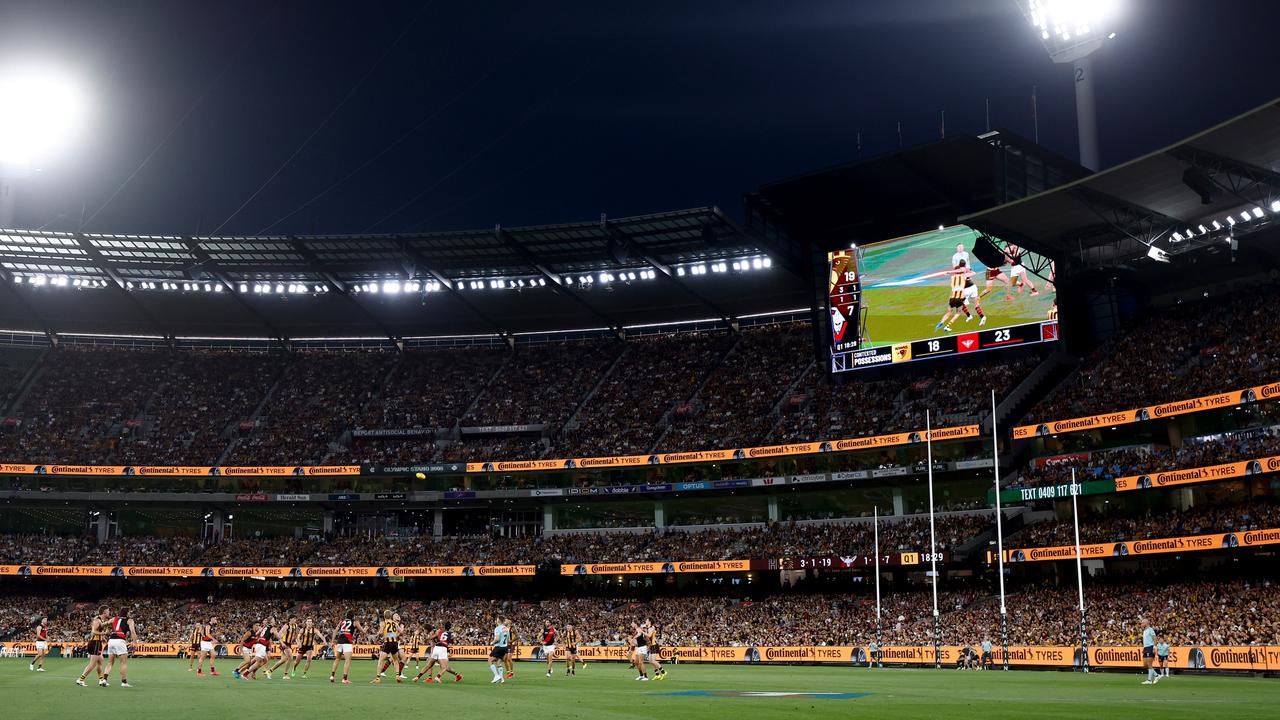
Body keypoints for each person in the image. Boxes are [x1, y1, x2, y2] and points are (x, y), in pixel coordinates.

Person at [76, 607, 109, 687]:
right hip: (95, 643)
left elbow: (97, 632)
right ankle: (81, 679)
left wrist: (103, 638)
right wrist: (104, 634)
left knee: (100, 661)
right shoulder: (97, 620)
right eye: (108, 611)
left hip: (97, 643)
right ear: (104, 612)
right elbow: (94, 631)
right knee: (93, 664)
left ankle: (101, 680)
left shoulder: (101, 620)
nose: (109, 613)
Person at [103, 607, 137, 688]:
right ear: (127, 613)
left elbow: (103, 624)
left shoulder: (114, 618)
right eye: (129, 612)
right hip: (120, 640)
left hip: (111, 640)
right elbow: (132, 631)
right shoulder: (130, 620)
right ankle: (124, 682)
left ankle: (104, 680)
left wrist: (104, 632)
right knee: (123, 663)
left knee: (110, 662)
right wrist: (134, 642)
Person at [934, 262, 970, 333]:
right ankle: (947, 326)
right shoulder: (963, 276)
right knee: (958, 313)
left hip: (952, 298)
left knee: (949, 312)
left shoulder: (952, 277)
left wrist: (949, 273)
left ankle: (941, 322)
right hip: (960, 298)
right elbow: (971, 273)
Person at [330, 612, 364, 685]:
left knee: (337, 659)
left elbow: (335, 631)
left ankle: (332, 676)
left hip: (339, 641)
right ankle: (344, 678)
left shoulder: (342, 621)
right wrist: (366, 629)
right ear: (353, 616)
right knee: (347, 660)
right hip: (347, 642)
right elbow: (362, 631)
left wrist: (332, 641)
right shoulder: (355, 622)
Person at [371, 610, 403, 684]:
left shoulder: (383, 623)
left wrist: (377, 635)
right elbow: (401, 632)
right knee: (395, 660)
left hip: (387, 643)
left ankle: (378, 678)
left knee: (381, 660)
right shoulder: (395, 623)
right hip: (395, 643)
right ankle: (398, 675)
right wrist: (393, 635)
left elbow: (381, 632)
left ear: (384, 616)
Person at [487, 616, 510, 684]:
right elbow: (508, 640)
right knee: (498, 662)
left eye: (497, 619)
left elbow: (497, 639)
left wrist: (492, 643)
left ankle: (497, 676)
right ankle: (501, 679)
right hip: (505, 647)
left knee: (490, 660)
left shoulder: (497, 628)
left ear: (499, 620)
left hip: (499, 647)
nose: (496, 620)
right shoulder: (507, 628)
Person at [1141, 619, 1160, 685]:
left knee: (1149, 664)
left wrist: (1154, 647)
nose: (1142, 624)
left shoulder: (1150, 629)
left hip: (1150, 647)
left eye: (1143, 623)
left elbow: (1155, 638)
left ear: (1146, 623)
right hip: (1145, 648)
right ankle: (1157, 675)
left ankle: (1149, 680)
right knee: (1145, 664)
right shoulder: (1144, 631)